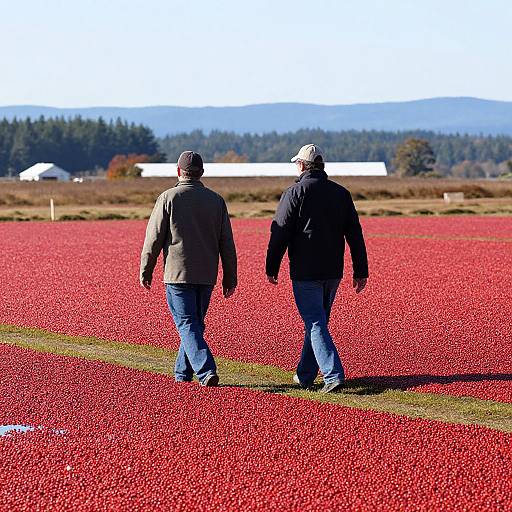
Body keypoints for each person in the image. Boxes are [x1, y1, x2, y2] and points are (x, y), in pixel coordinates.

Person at [266, 144, 368, 393]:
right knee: (318, 321)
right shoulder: (341, 193)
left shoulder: (294, 192)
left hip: (305, 269)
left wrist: (272, 265)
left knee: (314, 322)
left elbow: (280, 232)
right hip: (333, 269)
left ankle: (333, 375)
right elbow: (354, 234)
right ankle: (305, 375)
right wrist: (360, 269)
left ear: (301, 165)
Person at [140, 151, 237, 387]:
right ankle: (182, 373)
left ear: (178, 171)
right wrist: (230, 276)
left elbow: (153, 238)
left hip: (177, 273)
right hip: (206, 274)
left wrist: (146, 267)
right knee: (194, 324)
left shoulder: (168, 198)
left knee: (187, 324)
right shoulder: (216, 201)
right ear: (201, 173)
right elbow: (227, 242)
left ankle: (205, 370)